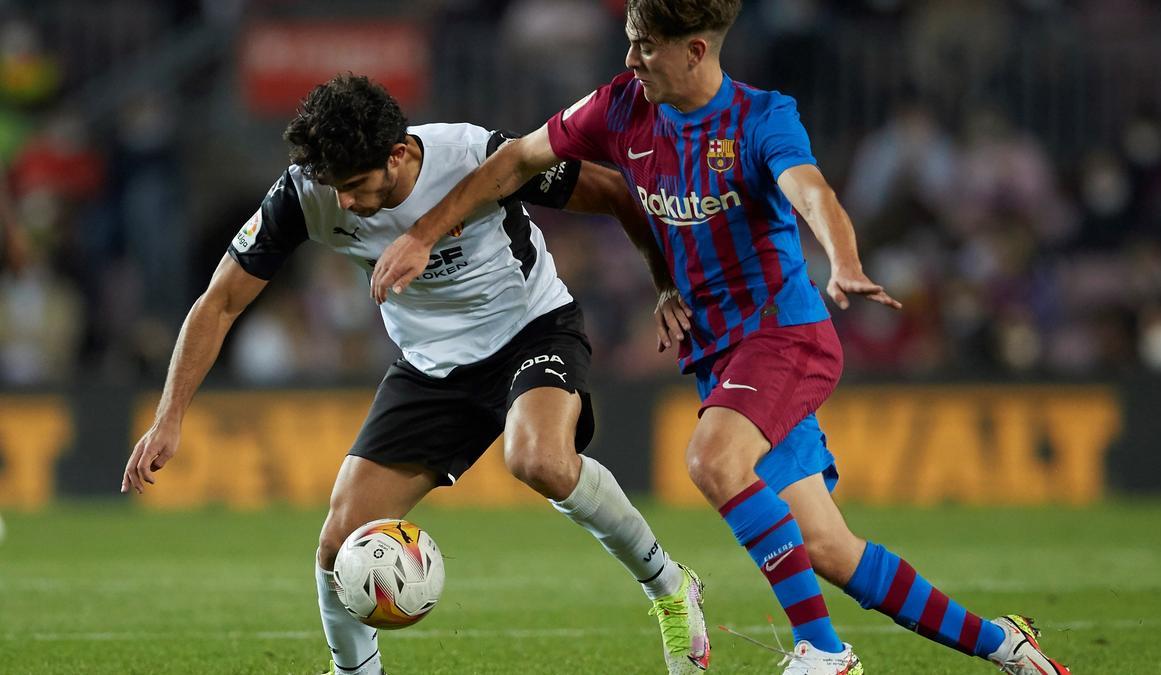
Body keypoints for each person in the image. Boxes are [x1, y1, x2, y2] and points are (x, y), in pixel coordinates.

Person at [370, 2, 1072, 674]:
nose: (630, 57)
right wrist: (424, 235)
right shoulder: (620, 106)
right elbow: (517, 160)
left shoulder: (762, 118)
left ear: (695, 49)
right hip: (720, 351)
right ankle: (1006, 644)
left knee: (711, 457)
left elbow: (812, 193)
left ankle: (824, 650)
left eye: (645, 45)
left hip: (783, 336)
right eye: (630, 40)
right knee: (828, 547)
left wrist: (845, 260)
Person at [119, 74, 711, 675]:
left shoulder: (471, 155)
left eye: (355, 185)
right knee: (337, 546)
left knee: (538, 460)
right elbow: (219, 302)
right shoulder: (303, 195)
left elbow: (611, 189)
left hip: (531, 330)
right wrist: (169, 418)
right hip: (430, 370)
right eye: (334, 188)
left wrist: (664, 282)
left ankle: (668, 586)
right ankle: (354, 671)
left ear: (398, 153)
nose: (343, 202)